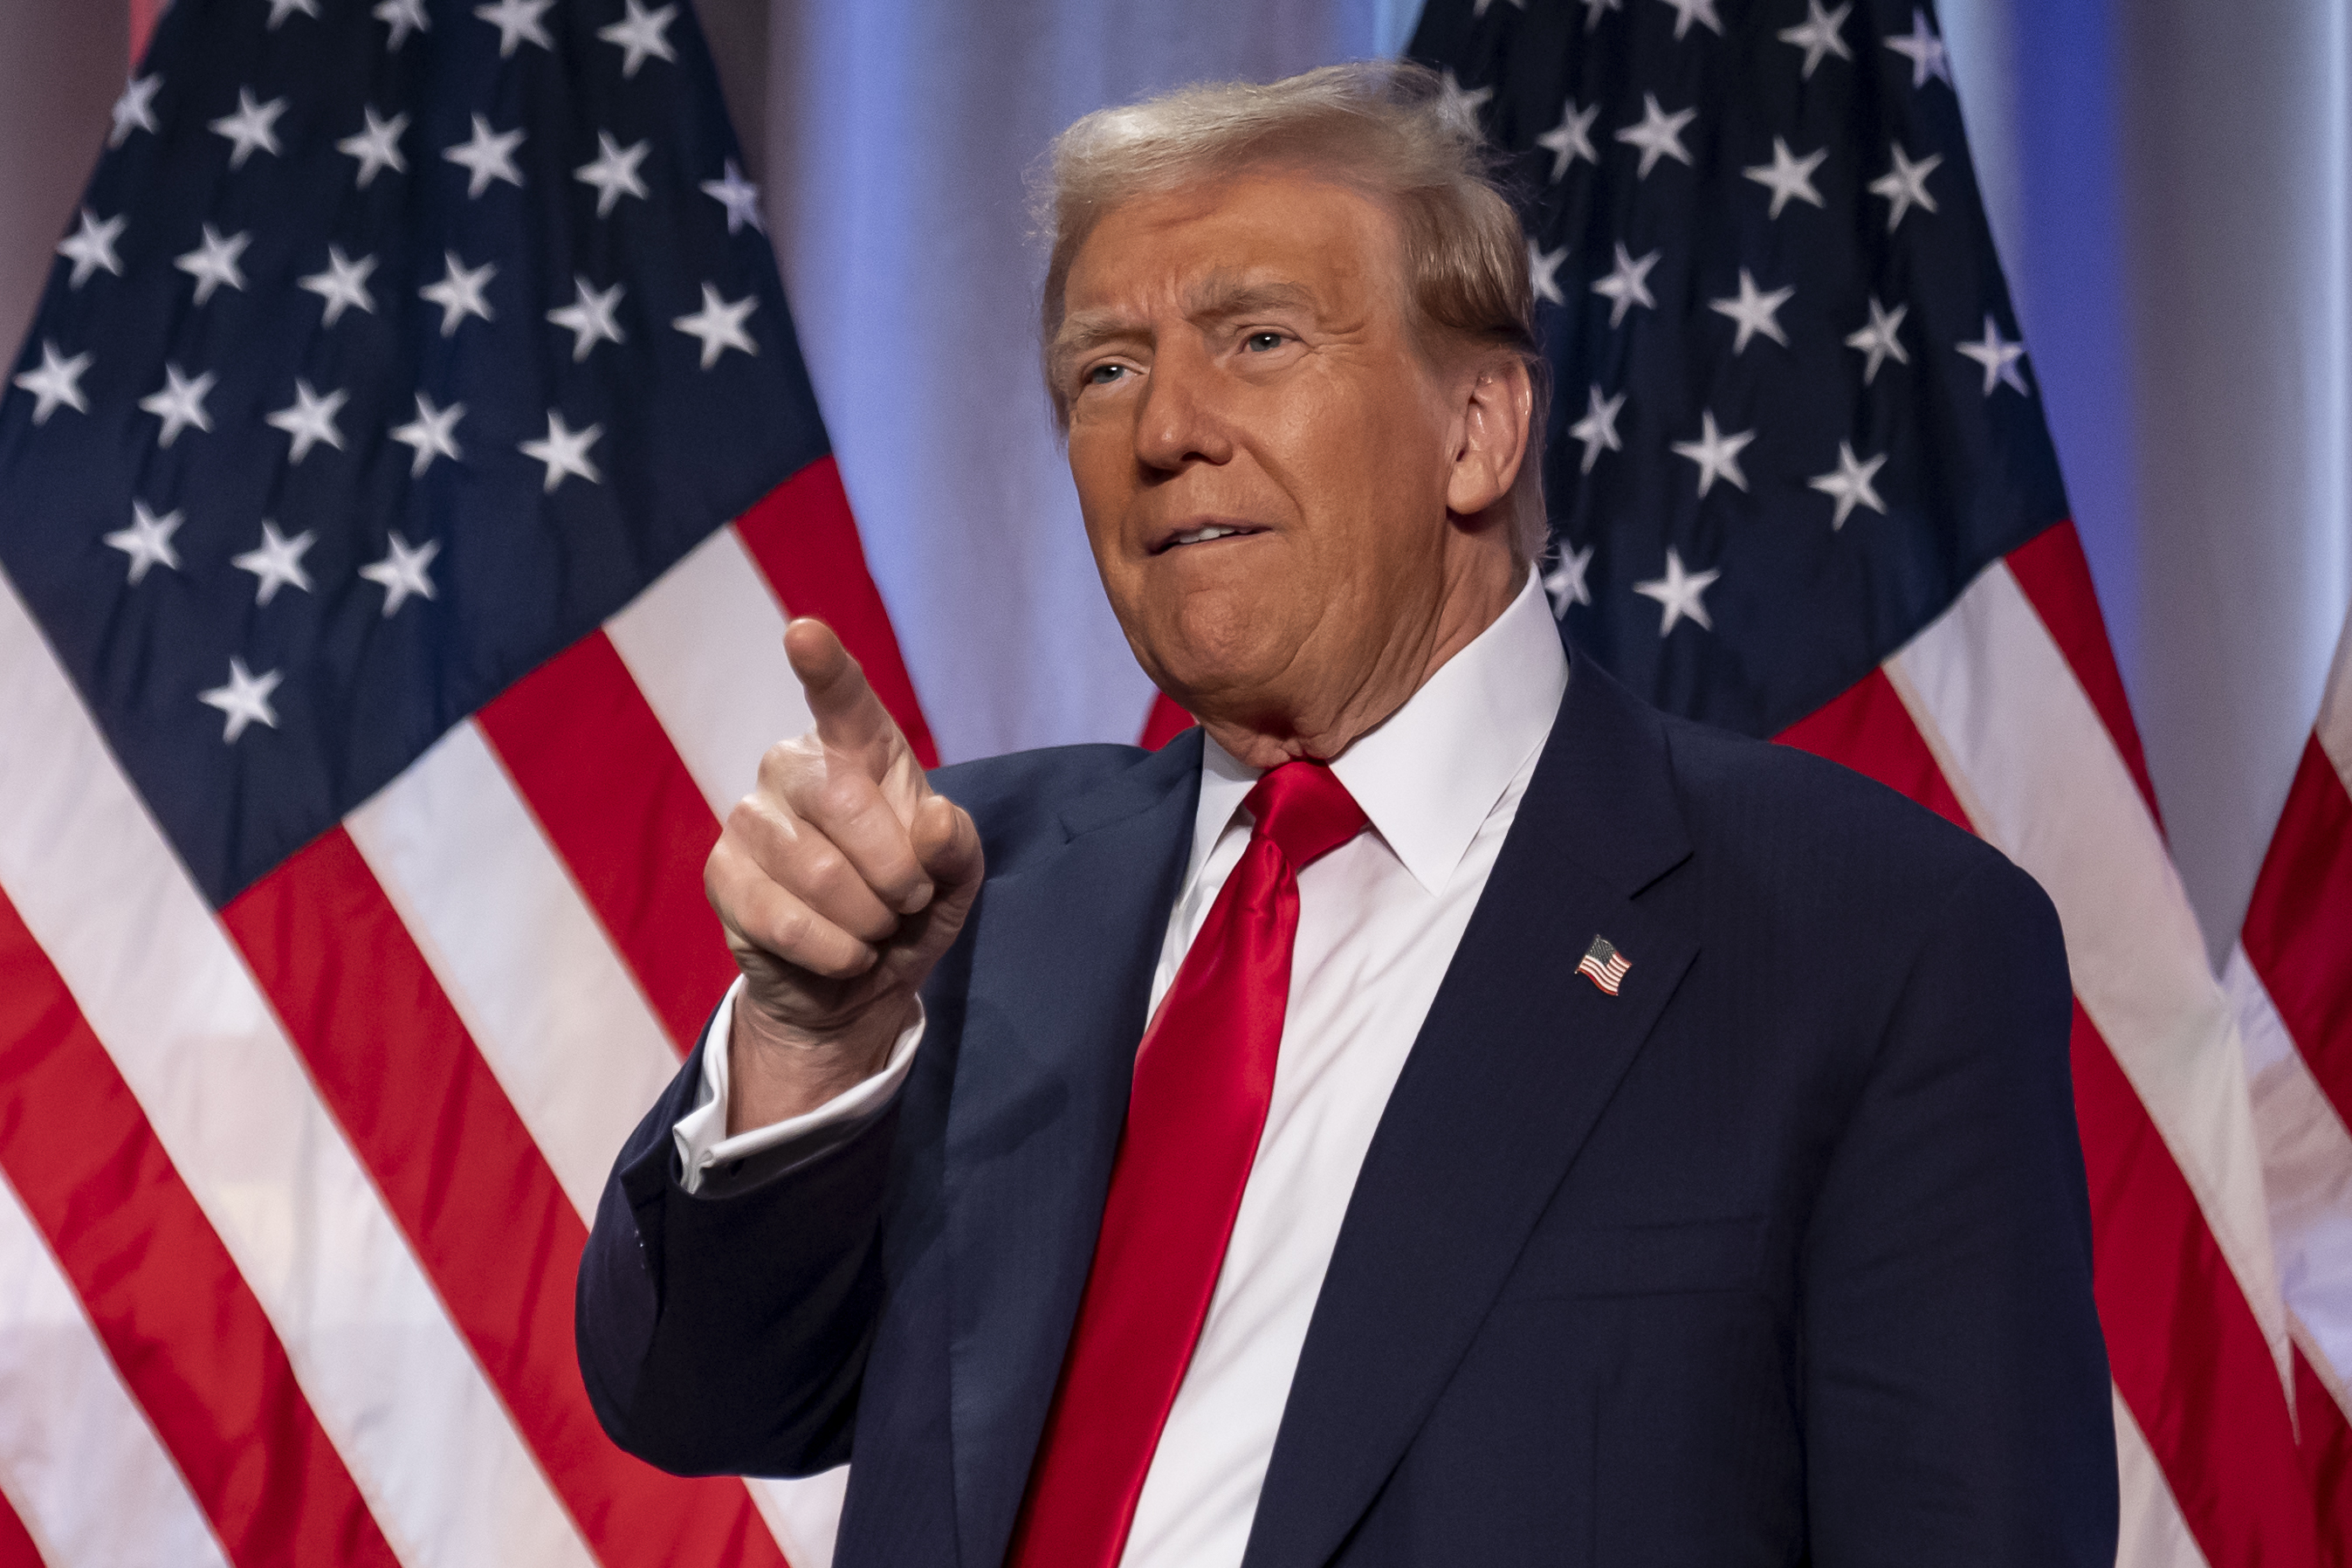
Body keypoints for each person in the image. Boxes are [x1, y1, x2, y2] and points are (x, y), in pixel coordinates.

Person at [576, 61, 2116, 1568]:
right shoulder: (966, 896)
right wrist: (810, 1039)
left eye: (1256, 338)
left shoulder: (1864, 940)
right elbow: (698, 1395)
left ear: (1476, 430)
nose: (1163, 426)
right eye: (1103, 369)